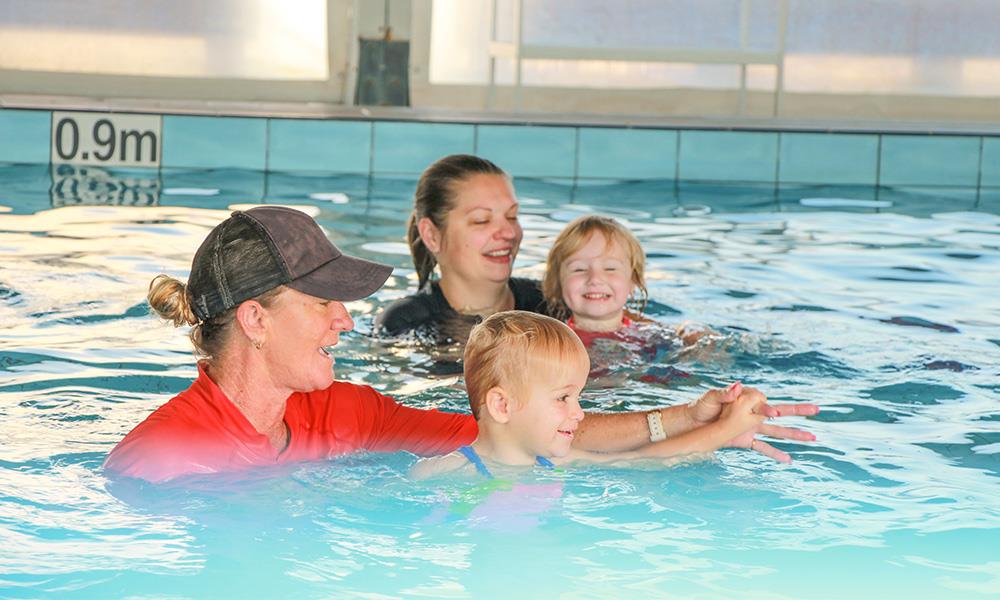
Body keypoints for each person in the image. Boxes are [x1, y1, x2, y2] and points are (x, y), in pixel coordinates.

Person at [105, 206, 817, 483]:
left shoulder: (345, 415)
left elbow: (518, 437)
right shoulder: (161, 459)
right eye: (324, 304)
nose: (346, 321)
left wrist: (690, 419)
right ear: (256, 321)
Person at [411, 311, 770, 480]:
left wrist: (726, 428)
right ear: (502, 405)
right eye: (563, 398)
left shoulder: (555, 462)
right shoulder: (440, 473)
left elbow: (651, 459)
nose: (579, 413)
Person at [375, 154, 545, 342]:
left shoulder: (551, 304)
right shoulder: (405, 324)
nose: (509, 233)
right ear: (432, 235)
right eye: (481, 220)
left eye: (512, 216)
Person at [543, 214, 704, 348]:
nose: (595, 279)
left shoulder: (655, 337)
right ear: (557, 283)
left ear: (633, 281)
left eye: (610, 268)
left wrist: (695, 335)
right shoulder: (549, 343)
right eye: (579, 269)